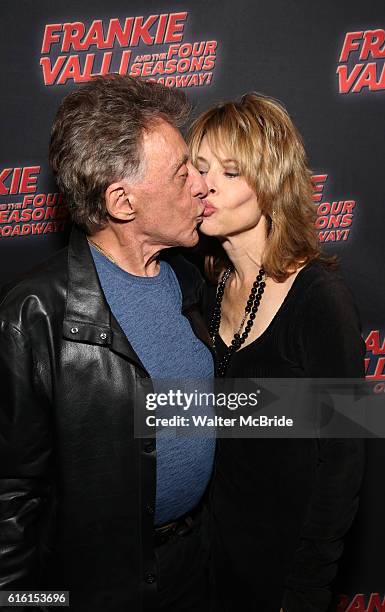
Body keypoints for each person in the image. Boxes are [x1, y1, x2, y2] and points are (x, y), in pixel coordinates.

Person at [0, 75, 215, 612]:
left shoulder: (190, 281)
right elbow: (11, 497)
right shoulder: (35, 314)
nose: (201, 185)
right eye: (181, 172)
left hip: (197, 564)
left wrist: (344, 413)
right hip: (98, 588)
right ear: (122, 201)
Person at [188, 93, 365, 612]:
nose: (208, 185)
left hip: (285, 571)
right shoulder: (208, 284)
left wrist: (307, 586)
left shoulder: (320, 297)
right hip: (212, 560)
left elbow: (345, 458)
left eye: (232, 171)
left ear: (271, 186)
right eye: (199, 168)